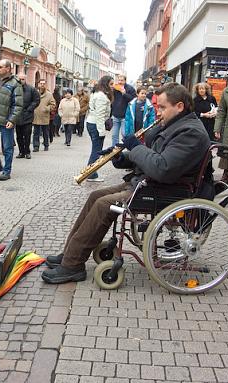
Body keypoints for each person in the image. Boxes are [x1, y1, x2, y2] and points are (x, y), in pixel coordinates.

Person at [41, 83, 211, 284]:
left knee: (104, 205)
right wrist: (122, 156)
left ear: (180, 106)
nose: (159, 112)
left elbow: (162, 167)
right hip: (147, 183)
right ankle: (70, 254)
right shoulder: (175, 125)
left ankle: (72, 266)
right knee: (96, 196)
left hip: (166, 190)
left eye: (163, 107)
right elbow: (153, 156)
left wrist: (135, 147)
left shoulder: (190, 133)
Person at [0, 59, 23, 181]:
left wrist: (12, 120)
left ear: (8, 69)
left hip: (6, 121)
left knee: (7, 147)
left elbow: (18, 105)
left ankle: (6, 171)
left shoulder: (15, 84)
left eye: (0, 67)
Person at [84, 75, 114, 182]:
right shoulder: (101, 96)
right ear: (105, 84)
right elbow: (100, 115)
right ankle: (91, 174)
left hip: (91, 123)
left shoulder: (96, 93)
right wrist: (101, 131)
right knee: (97, 150)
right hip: (96, 124)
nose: (112, 86)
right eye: (111, 84)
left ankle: (91, 173)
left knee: (95, 149)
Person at [15, 73, 40, 158]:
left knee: (27, 135)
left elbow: (36, 100)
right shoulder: (15, 88)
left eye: (23, 79)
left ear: (25, 79)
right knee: (19, 136)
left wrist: (30, 109)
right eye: (19, 79)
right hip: (17, 116)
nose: (21, 81)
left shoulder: (31, 89)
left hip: (27, 116)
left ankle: (27, 152)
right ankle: (21, 152)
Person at [111, 74, 136, 146]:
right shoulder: (115, 88)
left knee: (124, 134)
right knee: (114, 135)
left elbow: (133, 100)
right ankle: (114, 151)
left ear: (125, 81)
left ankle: (125, 148)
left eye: (122, 80)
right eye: (119, 80)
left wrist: (124, 94)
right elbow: (111, 99)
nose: (120, 82)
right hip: (116, 115)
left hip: (125, 116)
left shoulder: (130, 89)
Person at [33, 79, 56, 153]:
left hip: (45, 116)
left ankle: (46, 145)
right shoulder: (35, 93)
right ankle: (36, 146)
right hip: (36, 116)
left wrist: (47, 108)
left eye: (43, 83)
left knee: (45, 132)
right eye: (41, 83)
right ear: (38, 84)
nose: (42, 85)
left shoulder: (49, 95)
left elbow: (53, 105)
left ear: (45, 85)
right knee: (36, 133)